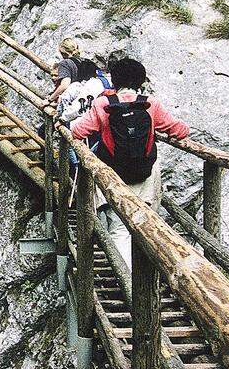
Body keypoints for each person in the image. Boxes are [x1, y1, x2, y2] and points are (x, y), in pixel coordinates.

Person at [70, 58, 190, 268]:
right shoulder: (150, 103)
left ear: (115, 81)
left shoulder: (103, 104)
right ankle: (145, 276)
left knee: (118, 229)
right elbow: (179, 130)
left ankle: (126, 281)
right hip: (143, 175)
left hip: (113, 173)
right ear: (140, 81)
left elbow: (78, 131)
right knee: (144, 224)